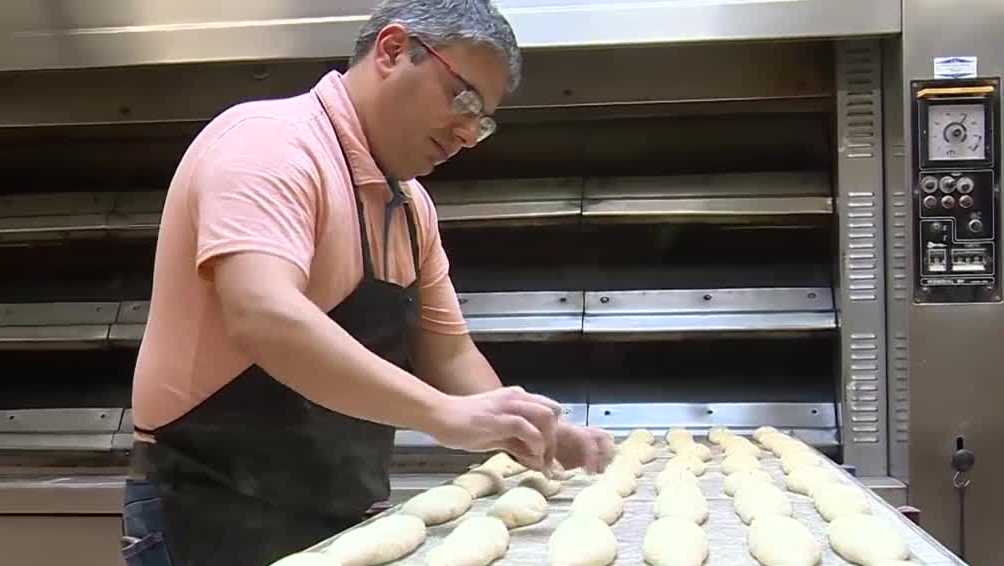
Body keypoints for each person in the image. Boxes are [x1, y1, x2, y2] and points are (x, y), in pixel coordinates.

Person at [120, 1, 614, 564]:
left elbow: (449, 354)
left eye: (483, 121)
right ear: (393, 50)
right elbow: (264, 314)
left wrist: (530, 428)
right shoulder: (270, 144)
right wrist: (440, 415)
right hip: (208, 511)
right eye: (464, 99)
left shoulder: (410, 208)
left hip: (339, 519)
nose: (468, 134)